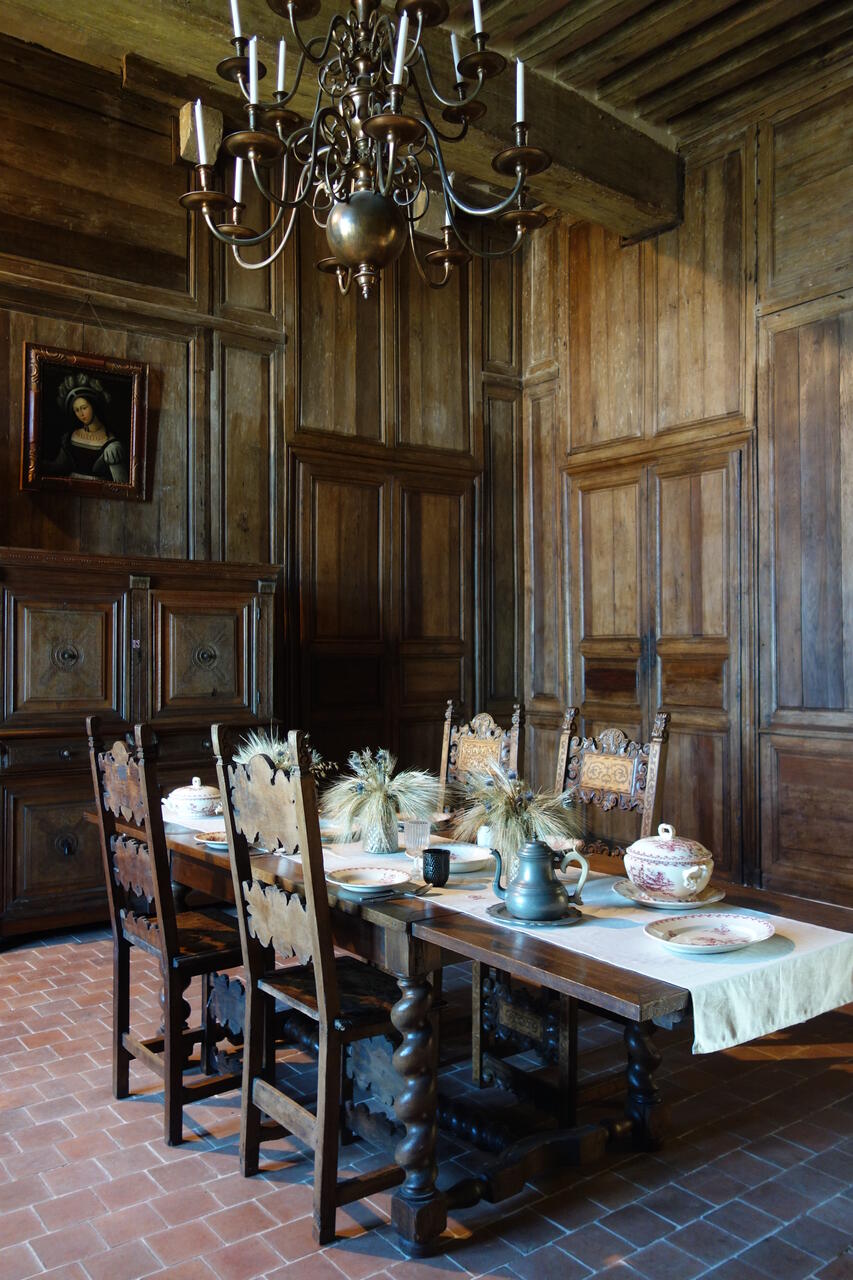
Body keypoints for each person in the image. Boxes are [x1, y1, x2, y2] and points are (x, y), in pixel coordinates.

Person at [43, 373, 129, 483]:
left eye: (84, 408)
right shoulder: (70, 437)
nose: (81, 414)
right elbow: (59, 466)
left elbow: (121, 483)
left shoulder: (112, 446)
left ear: (93, 406)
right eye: (77, 410)